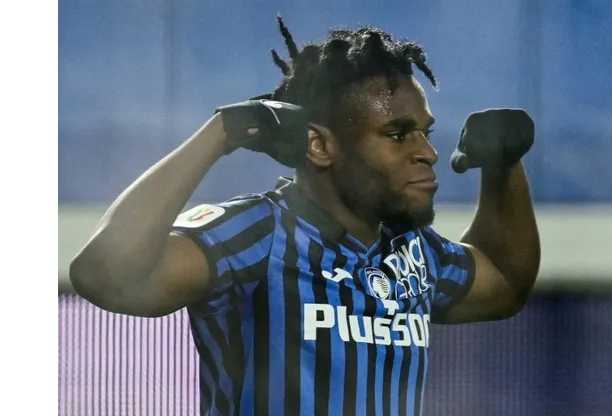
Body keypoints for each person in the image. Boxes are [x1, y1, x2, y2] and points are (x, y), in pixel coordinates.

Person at [70, 16, 541, 416]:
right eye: (398, 135)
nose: (428, 153)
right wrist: (220, 133)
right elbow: (107, 277)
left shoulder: (411, 253)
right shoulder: (257, 233)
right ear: (319, 145)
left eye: (425, 133)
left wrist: (503, 165)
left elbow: (505, 280)